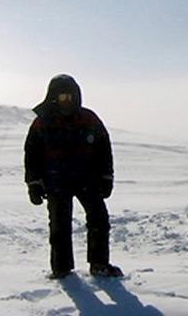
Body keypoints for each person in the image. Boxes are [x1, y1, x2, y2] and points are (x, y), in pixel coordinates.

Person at [24, 74, 123, 279]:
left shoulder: (89, 118)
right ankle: (61, 268)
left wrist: (107, 177)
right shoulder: (42, 122)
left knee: (100, 221)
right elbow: (31, 155)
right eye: (62, 97)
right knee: (59, 226)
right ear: (52, 97)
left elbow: (104, 149)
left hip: (88, 179)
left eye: (70, 96)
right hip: (55, 181)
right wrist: (33, 183)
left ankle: (99, 264)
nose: (67, 100)